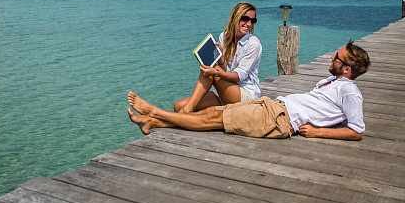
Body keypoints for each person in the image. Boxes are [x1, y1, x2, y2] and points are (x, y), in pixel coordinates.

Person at [128, 40, 370, 141]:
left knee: (213, 117)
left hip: (278, 119)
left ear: (347, 69)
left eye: (337, 57)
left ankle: (154, 112)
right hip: (272, 106)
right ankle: (154, 123)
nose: (332, 57)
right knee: (211, 113)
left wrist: (319, 133)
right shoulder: (332, 83)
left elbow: (357, 131)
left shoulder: (349, 91)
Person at [172, 2, 262, 113]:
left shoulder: (253, 44)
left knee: (211, 68)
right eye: (245, 19)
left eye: (253, 21)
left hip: (245, 95)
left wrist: (216, 72)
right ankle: (185, 111)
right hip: (225, 90)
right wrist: (221, 59)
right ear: (235, 17)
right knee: (178, 106)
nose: (249, 24)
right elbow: (227, 71)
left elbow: (239, 76)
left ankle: (186, 111)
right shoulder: (224, 36)